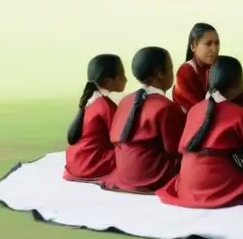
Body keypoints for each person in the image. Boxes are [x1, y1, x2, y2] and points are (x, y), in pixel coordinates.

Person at [158, 55, 243, 209]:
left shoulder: (194, 110)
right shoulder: (242, 114)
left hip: (188, 187)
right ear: (239, 82)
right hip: (218, 187)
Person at [102, 46, 185, 194]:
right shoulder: (166, 107)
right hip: (152, 179)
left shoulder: (125, 101)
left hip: (123, 176)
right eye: (171, 68)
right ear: (160, 73)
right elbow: (177, 150)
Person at [63, 54, 127, 182]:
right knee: (133, 156)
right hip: (90, 164)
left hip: (75, 161)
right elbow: (120, 139)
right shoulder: (106, 106)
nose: (125, 80)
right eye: (122, 76)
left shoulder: (90, 101)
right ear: (109, 81)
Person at [173, 23, 243, 113]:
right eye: (208, 44)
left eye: (217, 43)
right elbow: (202, 109)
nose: (214, 49)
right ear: (194, 46)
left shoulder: (220, 65)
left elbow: (236, 90)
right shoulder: (186, 72)